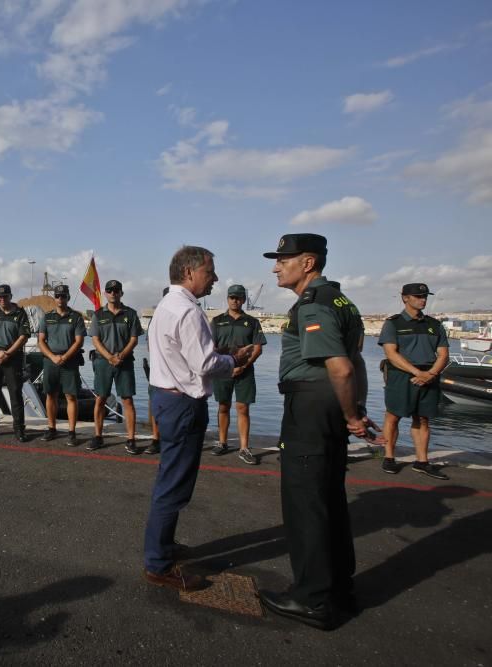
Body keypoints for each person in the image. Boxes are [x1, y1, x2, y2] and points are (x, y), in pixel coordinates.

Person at [258, 233, 380, 631]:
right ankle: (338, 591)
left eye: (283, 260)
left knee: (305, 501)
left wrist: (351, 415)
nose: (276, 267)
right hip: (330, 405)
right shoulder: (343, 301)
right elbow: (356, 363)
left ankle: (312, 599)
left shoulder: (314, 304)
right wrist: (355, 411)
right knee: (329, 497)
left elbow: (340, 368)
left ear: (307, 263)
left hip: (311, 407)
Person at [143, 247, 251, 591]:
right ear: (190, 272)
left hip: (166, 398)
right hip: (183, 404)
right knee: (172, 486)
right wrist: (232, 362)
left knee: (169, 479)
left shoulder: (166, 306)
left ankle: (163, 547)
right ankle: (158, 564)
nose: (215, 278)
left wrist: (220, 356)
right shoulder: (188, 311)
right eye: (210, 271)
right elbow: (204, 365)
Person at [378, 283, 450, 480]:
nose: (423, 299)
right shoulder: (393, 324)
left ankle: (422, 461)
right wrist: (417, 372)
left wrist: (431, 374)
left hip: (429, 376)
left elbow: (443, 355)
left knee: (423, 418)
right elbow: (391, 355)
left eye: (425, 296)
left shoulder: (435, 325)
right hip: (401, 376)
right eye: (418, 296)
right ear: (405, 298)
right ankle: (389, 457)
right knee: (393, 417)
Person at [210, 284, 267, 465]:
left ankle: (244, 447)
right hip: (223, 371)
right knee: (223, 406)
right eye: (232, 297)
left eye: (238, 298)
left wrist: (244, 365)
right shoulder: (217, 321)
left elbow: (258, 348)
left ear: (243, 300)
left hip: (245, 371)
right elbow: (210, 348)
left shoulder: (251, 322)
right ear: (227, 299)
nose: (235, 300)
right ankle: (222, 442)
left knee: (243, 408)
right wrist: (226, 365)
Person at [88, 280, 145, 454]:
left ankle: (131, 439)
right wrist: (109, 357)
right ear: (105, 293)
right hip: (103, 362)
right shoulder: (98, 315)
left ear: (121, 293)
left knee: (127, 400)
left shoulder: (131, 314)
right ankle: (98, 436)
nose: (113, 293)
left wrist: (120, 356)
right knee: (101, 399)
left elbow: (134, 339)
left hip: (125, 362)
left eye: (116, 290)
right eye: (110, 290)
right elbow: (95, 340)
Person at [0, 284, 31, 442]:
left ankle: (19, 429)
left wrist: (7, 353)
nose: (2, 299)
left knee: (15, 394)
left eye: (5, 296)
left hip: (13, 357)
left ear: (10, 296)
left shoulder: (20, 313)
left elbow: (23, 337)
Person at [37, 284, 86, 446]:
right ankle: (51, 428)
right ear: (54, 298)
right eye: (57, 296)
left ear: (68, 297)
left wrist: (64, 356)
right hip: (50, 362)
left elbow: (79, 341)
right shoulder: (47, 317)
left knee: (71, 396)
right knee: (50, 395)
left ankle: (72, 432)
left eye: (63, 296)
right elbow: (41, 341)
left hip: (69, 362)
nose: (60, 299)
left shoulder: (76, 317)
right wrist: (52, 356)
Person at [142, 287, 169, 457]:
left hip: (178, 372)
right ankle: (156, 439)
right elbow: (150, 345)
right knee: (155, 403)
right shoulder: (156, 318)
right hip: (159, 370)